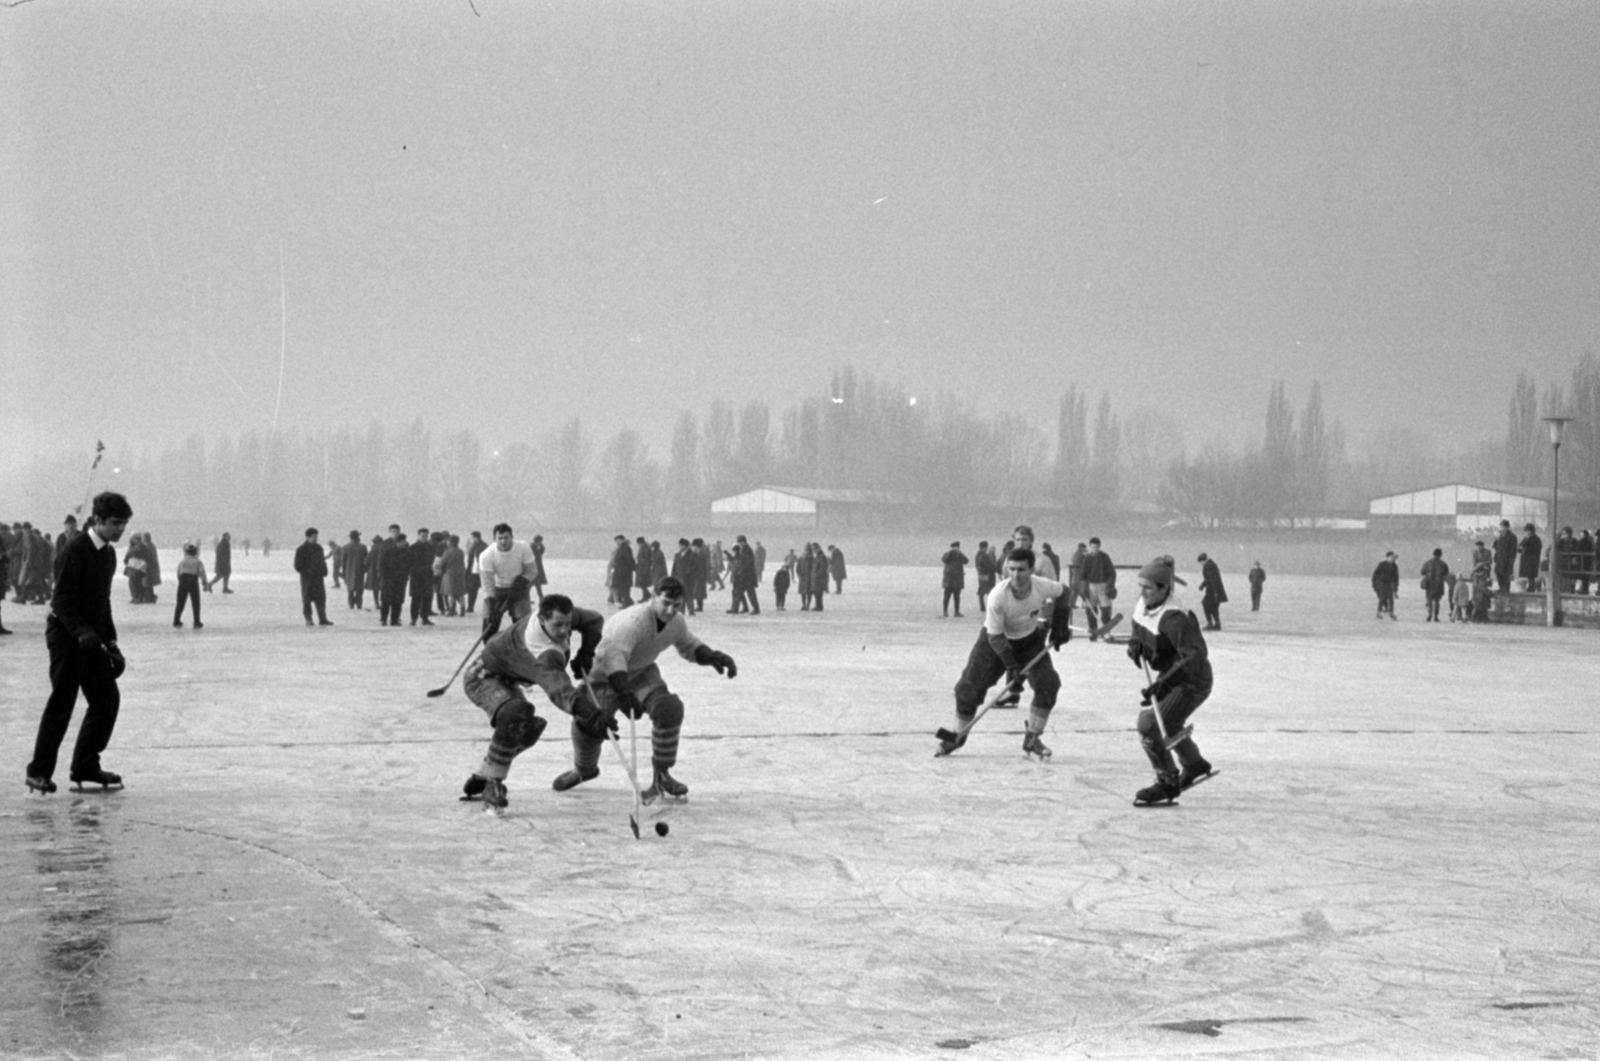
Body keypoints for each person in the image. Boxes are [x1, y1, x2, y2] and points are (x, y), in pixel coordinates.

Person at [551, 577, 736, 802]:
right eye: (666, 602)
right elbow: (613, 657)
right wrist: (624, 692)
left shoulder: (676, 621)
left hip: (640, 672)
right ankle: (584, 770)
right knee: (589, 726)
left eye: (676, 605)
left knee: (668, 709)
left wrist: (712, 656)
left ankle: (662, 775)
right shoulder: (632, 622)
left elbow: (687, 644)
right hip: (604, 677)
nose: (670, 610)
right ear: (653, 597)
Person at [457, 593, 606, 813]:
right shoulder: (542, 652)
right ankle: (493, 784)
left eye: (568, 624)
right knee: (516, 714)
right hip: (482, 677)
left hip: (508, 678)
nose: (564, 631)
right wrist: (589, 713)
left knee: (531, 728)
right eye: (557, 625)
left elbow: (593, 620)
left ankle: (483, 772)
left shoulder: (558, 617)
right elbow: (559, 689)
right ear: (543, 619)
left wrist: (587, 651)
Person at [27, 492, 134, 794]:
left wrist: (111, 642)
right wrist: (81, 632)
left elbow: (103, 603)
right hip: (64, 635)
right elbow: (61, 601)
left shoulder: (108, 554)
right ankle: (38, 771)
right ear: (98, 520)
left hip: (91, 636)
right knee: (63, 700)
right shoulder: (75, 549)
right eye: (115, 523)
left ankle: (85, 765)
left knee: (106, 699)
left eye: (124, 524)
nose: (120, 529)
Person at [941, 546, 1072, 759]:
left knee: (1048, 685)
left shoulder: (1041, 586)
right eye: (1011, 569)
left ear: (1031, 570)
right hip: (994, 642)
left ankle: (1032, 739)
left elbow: (1064, 592)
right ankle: (957, 735)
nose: (1015, 575)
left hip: (1029, 641)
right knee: (967, 690)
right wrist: (1012, 666)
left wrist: (1060, 624)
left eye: (1021, 570)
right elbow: (995, 638)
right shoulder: (998, 596)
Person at [1126, 555, 1215, 806]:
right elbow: (1138, 624)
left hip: (1191, 681)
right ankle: (1194, 764)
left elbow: (1195, 656)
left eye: (1148, 588)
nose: (1142, 593)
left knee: (1149, 723)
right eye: (1140, 586)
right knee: (1170, 722)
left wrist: (1166, 683)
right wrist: (1135, 643)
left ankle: (1167, 781)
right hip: (1170, 676)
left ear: (1164, 589)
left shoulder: (1175, 618)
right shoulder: (1145, 603)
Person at [479, 523, 540, 639]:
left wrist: (520, 583)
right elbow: (487, 585)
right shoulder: (486, 555)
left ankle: (520, 652)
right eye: (500, 538)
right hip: (497, 589)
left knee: (523, 626)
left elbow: (532, 571)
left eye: (506, 538)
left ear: (512, 537)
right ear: (494, 539)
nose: (503, 541)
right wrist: (492, 608)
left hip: (519, 588)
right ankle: (491, 652)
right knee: (489, 625)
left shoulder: (523, 547)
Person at [293, 527, 333, 626]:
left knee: (321, 599)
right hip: (307, 579)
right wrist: (307, 572)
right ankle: (308, 619)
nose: (316, 539)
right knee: (307, 600)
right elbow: (297, 565)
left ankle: (322, 619)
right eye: (314, 537)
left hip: (318, 578)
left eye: (316, 537)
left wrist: (324, 571)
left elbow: (322, 561)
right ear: (308, 537)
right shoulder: (301, 549)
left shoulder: (319, 548)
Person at [1080, 537, 1118, 639]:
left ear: (1099, 547)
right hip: (1091, 587)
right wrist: (1083, 590)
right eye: (1093, 547)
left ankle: (1106, 631)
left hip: (1103, 586)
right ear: (1090, 547)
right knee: (1091, 610)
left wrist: (1110, 586)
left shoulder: (1105, 557)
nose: (1095, 549)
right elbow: (1083, 575)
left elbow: (1111, 573)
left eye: (1096, 547)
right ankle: (1093, 631)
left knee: (1106, 609)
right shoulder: (1087, 558)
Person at [379, 527, 410, 626]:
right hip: (389, 581)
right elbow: (382, 565)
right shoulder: (388, 551)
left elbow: (408, 566)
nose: (406, 543)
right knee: (386, 601)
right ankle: (384, 619)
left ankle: (394, 620)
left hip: (400, 581)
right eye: (404, 541)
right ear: (399, 542)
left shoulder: (406, 552)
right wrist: (384, 577)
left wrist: (406, 577)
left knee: (397, 602)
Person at [172, 541, 206, 629]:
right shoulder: (198, 561)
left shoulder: (183, 561)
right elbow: (202, 572)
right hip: (193, 581)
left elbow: (178, 573)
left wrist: (181, 581)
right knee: (195, 602)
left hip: (183, 580)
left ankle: (176, 620)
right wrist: (204, 583)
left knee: (180, 602)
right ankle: (196, 621)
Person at [408, 527, 435, 626]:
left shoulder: (430, 547)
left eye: (426, 536)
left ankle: (425, 618)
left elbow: (433, 561)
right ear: (418, 535)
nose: (424, 537)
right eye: (423, 535)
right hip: (416, 576)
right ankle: (414, 618)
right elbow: (409, 562)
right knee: (416, 598)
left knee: (427, 598)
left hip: (428, 575)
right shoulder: (412, 547)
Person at [1197, 552, 1228, 630]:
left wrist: (1215, 592)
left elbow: (1211, 579)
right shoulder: (1211, 564)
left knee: (1206, 604)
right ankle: (1217, 624)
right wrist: (1203, 585)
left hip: (1212, 590)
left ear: (1202, 560)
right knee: (1213, 607)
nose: (1201, 564)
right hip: (1215, 589)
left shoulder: (1208, 566)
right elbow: (1210, 578)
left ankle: (1210, 623)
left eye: (1200, 562)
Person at [440, 534, 467, 617]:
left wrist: (443, 571)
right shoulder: (461, 551)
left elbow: (442, 563)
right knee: (460, 593)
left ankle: (452, 610)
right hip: (460, 574)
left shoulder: (448, 552)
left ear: (450, 542)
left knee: (451, 594)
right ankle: (462, 610)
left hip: (450, 574)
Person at [1420, 548, 1449, 622]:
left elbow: (1422, 572)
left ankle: (1429, 615)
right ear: (1440, 555)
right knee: (1437, 602)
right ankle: (1436, 616)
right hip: (1439, 585)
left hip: (1429, 585)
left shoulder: (1427, 563)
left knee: (1429, 601)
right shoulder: (1443, 564)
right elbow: (1446, 574)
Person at [940, 541, 968, 618]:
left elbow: (966, 561)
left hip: (956, 580)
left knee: (956, 597)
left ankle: (956, 612)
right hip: (949, 580)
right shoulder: (948, 554)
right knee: (947, 597)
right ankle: (945, 611)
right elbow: (944, 559)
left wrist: (960, 553)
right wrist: (951, 552)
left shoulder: (959, 555)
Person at [608, 534, 636, 606]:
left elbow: (625, 559)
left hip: (622, 571)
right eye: (616, 541)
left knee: (620, 586)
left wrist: (622, 568)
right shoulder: (623, 548)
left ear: (623, 540)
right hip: (622, 571)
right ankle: (622, 600)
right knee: (621, 586)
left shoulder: (624, 548)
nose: (617, 542)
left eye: (619, 541)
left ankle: (623, 601)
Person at [343, 531, 369, 609]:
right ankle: (359, 603)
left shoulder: (345, 547)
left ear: (350, 538)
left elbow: (343, 561)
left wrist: (344, 572)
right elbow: (366, 560)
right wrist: (365, 569)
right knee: (359, 588)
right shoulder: (363, 547)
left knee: (350, 587)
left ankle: (351, 604)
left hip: (349, 570)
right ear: (358, 537)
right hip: (360, 570)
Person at [465, 531, 488, 613]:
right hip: (472, 571)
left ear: (476, 538)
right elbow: (467, 553)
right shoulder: (473, 546)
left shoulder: (483, 546)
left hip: (481, 571)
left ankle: (488, 607)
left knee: (485, 589)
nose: (471, 540)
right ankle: (470, 607)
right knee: (472, 589)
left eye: (472, 538)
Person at [1371, 551, 1399, 619]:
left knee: (1391, 598)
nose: (1393, 558)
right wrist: (1374, 583)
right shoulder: (1382, 564)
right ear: (1388, 557)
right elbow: (1375, 574)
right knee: (1382, 598)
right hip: (1381, 583)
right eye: (1391, 557)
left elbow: (1396, 577)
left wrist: (1396, 586)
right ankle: (1379, 612)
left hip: (1389, 584)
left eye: (1393, 557)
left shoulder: (1394, 566)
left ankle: (1391, 612)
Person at [1491, 520, 1517, 594]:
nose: (1501, 528)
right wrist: (1496, 538)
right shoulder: (1500, 536)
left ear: (1507, 527)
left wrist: (1511, 560)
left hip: (1506, 559)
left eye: (1503, 527)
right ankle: (1501, 588)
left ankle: (1506, 589)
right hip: (1499, 559)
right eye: (1501, 526)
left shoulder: (1512, 537)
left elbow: (1513, 550)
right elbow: (1495, 546)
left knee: (1505, 574)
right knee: (1498, 573)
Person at [1517, 523, 1543, 592]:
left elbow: (1535, 549)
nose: (1527, 533)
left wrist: (1525, 547)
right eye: (1526, 531)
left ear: (1532, 531)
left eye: (1528, 531)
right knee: (1529, 576)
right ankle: (1530, 588)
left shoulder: (1536, 539)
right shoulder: (1525, 538)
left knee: (1531, 575)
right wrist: (1522, 547)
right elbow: (1519, 548)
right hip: (1526, 560)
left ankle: (1531, 589)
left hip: (1532, 560)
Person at [973, 541, 997, 611]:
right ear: (984, 547)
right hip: (986, 574)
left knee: (982, 589)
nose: (987, 549)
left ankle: (982, 606)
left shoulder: (977, 555)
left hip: (980, 574)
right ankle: (986, 606)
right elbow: (988, 565)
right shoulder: (984, 555)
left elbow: (977, 565)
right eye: (986, 547)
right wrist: (995, 568)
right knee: (988, 590)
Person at [530, 533, 548, 602]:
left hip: (536, 569)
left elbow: (540, 553)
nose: (541, 543)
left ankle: (540, 597)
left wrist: (541, 546)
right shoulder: (533, 546)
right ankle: (541, 597)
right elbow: (538, 555)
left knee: (533, 584)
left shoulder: (534, 546)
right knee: (535, 584)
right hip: (535, 569)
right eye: (540, 542)